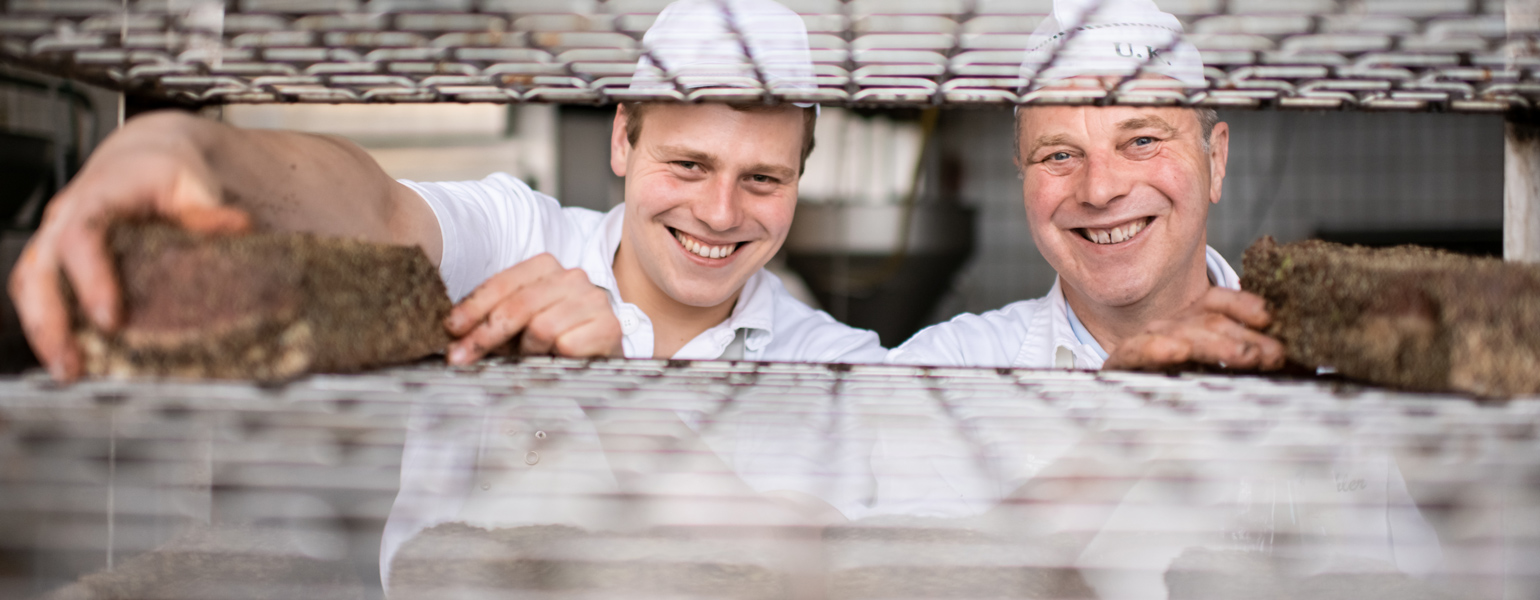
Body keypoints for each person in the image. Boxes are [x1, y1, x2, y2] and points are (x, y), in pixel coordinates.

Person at [8, 0, 884, 382]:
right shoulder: (517, 234)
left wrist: (612, 398)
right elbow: (374, 204)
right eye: (688, 165)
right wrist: (176, 142)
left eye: (762, 178)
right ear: (624, 136)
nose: (721, 214)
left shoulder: (836, 364)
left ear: (798, 182)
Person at [887, 0, 1285, 372]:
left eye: (1142, 141)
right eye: (1059, 155)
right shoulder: (946, 367)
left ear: (1215, 160)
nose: (1099, 191)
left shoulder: (1324, 360)